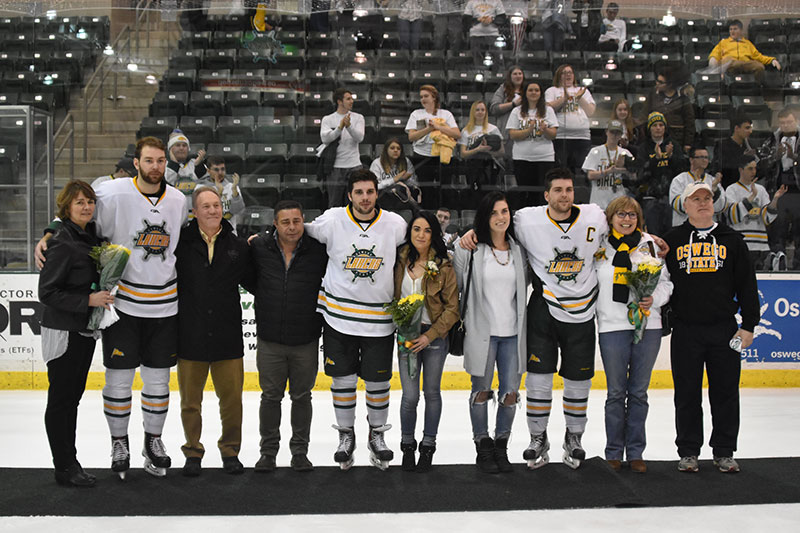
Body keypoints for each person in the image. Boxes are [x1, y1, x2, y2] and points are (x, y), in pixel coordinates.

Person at [36, 137, 188, 479]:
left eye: (160, 160)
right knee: (118, 380)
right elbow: (76, 211)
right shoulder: (113, 192)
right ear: (136, 162)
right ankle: (119, 443)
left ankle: (154, 441)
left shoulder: (178, 199)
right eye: (148, 160)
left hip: (165, 305)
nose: (155, 166)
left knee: (158, 380)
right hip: (123, 306)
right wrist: (49, 232)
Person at [304, 169, 407, 470]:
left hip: (379, 320)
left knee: (378, 382)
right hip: (338, 318)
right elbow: (298, 232)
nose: (365, 198)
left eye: (370, 192)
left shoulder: (395, 224)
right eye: (359, 192)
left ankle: (377, 435)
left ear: (377, 193)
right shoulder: (332, 219)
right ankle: (346, 435)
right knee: (343, 381)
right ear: (349, 194)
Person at [664, 181, 760, 473]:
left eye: (707, 198)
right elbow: (661, 283)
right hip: (686, 330)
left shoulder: (732, 240)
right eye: (696, 199)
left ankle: (724, 451)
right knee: (686, 392)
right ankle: (689, 451)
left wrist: (749, 325)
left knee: (726, 391)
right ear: (685, 204)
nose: (703, 202)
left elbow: (747, 284)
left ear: (714, 203)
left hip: (725, 330)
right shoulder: (672, 240)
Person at [38, 180, 114, 487]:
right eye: (79, 202)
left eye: (90, 201)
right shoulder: (62, 241)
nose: (86, 207)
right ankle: (65, 466)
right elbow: (47, 292)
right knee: (62, 401)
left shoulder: (86, 236)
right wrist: (87, 301)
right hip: (63, 332)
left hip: (82, 330)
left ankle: (69, 463)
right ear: (66, 207)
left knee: (71, 400)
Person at [174, 186, 253, 478]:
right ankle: (193, 451)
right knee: (190, 402)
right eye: (205, 206)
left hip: (227, 336)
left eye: (217, 205)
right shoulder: (179, 243)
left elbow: (256, 282)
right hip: (190, 334)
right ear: (194, 212)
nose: (212, 210)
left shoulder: (238, 246)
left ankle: (230, 451)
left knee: (232, 401)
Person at [246, 200, 328, 473]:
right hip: (270, 339)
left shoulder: (319, 251)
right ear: (275, 224)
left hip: (305, 339)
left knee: (302, 397)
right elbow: (249, 279)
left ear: (303, 221)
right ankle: (268, 452)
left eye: (296, 221)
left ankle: (299, 452)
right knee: (270, 397)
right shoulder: (259, 248)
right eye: (285, 222)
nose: (292, 227)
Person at [595, 196, 673, 473]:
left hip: (647, 327)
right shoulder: (599, 245)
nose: (626, 219)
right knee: (616, 393)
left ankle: (636, 452)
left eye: (632, 215)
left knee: (638, 393)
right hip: (612, 326)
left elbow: (666, 283)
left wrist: (654, 299)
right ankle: (614, 451)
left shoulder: (650, 245)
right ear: (611, 217)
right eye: (621, 214)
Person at [454, 191, 528, 474]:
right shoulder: (469, 250)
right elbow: (458, 287)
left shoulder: (519, 251)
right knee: (481, 391)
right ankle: (482, 445)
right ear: (485, 217)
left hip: (513, 334)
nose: (501, 217)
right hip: (481, 333)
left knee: (510, 393)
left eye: (505, 211)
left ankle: (501, 445)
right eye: (495, 212)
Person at [393, 210, 459, 472]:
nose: (421, 235)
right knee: (409, 396)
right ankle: (407, 445)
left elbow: (452, 308)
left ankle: (428, 446)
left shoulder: (443, 265)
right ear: (410, 232)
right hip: (406, 337)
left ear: (434, 234)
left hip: (433, 337)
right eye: (417, 229)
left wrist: (429, 335)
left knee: (431, 392)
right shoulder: (398, 260)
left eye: (427, 230)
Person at [725, 155, 787, 270]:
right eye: (750, 168)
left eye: (755, 168)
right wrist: (752, 196)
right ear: (740, 170)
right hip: (740, 246)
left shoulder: (761, 189)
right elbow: (732, 216)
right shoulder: (731, 190)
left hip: (760, 246)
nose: (753, 172)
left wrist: (775, 199)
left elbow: (767, 218)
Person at [758, 108, 800, 271]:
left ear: (795, 120)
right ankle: (778, 261)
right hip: (778, 190)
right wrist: (776, 156)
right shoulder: (772, 138)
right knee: (778, 228)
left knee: (798, 230)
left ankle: (797, 265)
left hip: (797, 191)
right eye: (782, 123)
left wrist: (794, 158)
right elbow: (761, 165)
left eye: (789, 122)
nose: (785, 125)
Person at [634, 111, 686, 237]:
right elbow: (640, 175)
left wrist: (671, 157)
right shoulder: (643, 148)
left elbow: (681, 171)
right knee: (653, 235)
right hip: (650, 199)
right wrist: (655, 159)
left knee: (671, 235)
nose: (658, 128)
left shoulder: (674, 145)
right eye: (654, 125)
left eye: (661, 125)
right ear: (649, 128)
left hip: (670, 198)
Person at [507, 81, 558, 200]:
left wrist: (545, 130)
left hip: (545, 158)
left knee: (543, 194)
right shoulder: (517, 111)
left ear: (541, 93)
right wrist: (529, 130)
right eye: (530, 90)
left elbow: (553, 135)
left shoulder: (548, 110)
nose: (533, 93)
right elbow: (513, 135)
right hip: (522, 158)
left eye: (536, 90)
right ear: (525, 93)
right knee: (525, 194)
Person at [545, 64, 595, 177]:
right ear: (558, 76)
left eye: (570, 72)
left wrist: (579, 98)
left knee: (582, 172)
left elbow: (591, 112)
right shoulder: (552, 91)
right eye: (564, 72)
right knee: (561, 173)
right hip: (560, 137)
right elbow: (548, 109)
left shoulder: (582, 91)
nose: (568, 75)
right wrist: (564, 99)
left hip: (582, 137)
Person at [406, 85, 461, 185]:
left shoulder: (446, 114)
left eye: (426, 96)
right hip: (422, 156)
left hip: (443, 156)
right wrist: (429, 129)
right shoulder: (416, 114)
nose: (423, 99)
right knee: (426, 189)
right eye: (421, 97)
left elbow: (457, 134)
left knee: (444, 188)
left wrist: (438, 127)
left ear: (434, 97)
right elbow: (411, 137)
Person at [320, 87, 366, 208]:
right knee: (334, 204)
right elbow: (325, 139)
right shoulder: (328, 119)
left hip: (354, 166)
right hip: (335, 167)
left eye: (352, 98)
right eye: (348, 99)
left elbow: (360, 138)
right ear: (339, 101)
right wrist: (339, 128)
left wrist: (349, 126)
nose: (351, 101)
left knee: (355, 204)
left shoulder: (358, 118)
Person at [708, 19, 781, 83]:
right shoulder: (724, 43)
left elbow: (758, 56)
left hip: (745, 64)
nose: (732, 31)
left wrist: (772, 60)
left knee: (759, 67)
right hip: (730, 64)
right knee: (729, 60)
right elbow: (715, 54)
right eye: (730, 29)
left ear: (741, 30)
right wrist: (714, 63)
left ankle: (754, 86)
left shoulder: (748, 43)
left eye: (735, 29)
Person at [582, 119, 634, 209]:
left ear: (621, 135)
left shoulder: (625, 153)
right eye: (612, 132)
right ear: (606, 132)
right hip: (598, 203)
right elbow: (590, 175)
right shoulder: (595, 151)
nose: (614, 135)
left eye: (617, 133)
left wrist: (624, 169)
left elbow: (634, 176)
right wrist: (609, 171)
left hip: (618, 202)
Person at [668, 147, 725, 227]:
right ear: (691, 160)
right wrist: (697, 185)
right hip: (684, 229)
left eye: (706, 157)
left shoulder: (713, 180)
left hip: (708, 230)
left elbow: (720, 208)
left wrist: (715, 190)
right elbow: (678, 206)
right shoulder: (679, 180)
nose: (704, 160)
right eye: (701, 157)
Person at [644, 68, 696, 152]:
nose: (657, 84)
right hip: (656, 139)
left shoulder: (682, 98)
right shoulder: (653, 95)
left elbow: (689, 121)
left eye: (661, 82)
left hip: (677, 139)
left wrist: (688, 143)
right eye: (657, 81)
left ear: (670, 84)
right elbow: (645, 114)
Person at [459, 100, 504, 194]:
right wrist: (477, 149)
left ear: (486, 112)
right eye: (477, 110)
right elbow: (463, 154)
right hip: (472, 166)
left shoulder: (493, 129)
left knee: (489, 192)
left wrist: (487, 151)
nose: (480, 112)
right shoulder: (465, 131)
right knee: (474, 192)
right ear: (473, 112)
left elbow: (502, 152)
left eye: (482, 110)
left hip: (489, 165)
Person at [370, 138, 420, 206]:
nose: (396, 150)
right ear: (386, 150)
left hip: (402, 198)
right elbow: (374, 186)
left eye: (398, 148)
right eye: (392, 148)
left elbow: (414, 183)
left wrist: (405, 179)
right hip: (383, 197)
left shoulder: (406, 161)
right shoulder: (377, 163)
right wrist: (394, 179)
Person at [201, 155, 245, 232]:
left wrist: (234, 191)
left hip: (229, 233)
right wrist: (219, 193)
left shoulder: (232, 187)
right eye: (216, 170)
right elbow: (206, 212)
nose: (220, 173)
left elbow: (238, 210)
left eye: (222, 169)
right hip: (208, 232)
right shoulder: (200, 188)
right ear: (208, 171)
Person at [490, 65, 525, 161]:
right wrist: (513, 104)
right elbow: (494, 108)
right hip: (507, 134)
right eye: (515, 74)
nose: (518, 76)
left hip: (524, 133)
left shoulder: (528, 90)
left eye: (520, 74)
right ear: (510, 76)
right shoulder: (503, 89)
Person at [711, 116, 756, 189]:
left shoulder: (750, 146)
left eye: (750, 128)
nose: (750, 131)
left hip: (747, 187)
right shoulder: (722, 145)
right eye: (747, 128)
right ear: (737, 128)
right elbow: (723, 167)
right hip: (727, 186)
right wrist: (743, 158)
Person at [464, 0, 506, 71]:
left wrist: (491, 20)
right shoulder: (471, 2)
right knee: (477, 60)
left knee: (496, 59)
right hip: (476, 35)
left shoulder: (497, 1)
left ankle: (495, 77)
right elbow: (466, 19)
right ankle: (480, 77)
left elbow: (502, 18)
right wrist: (479, 19)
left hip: (493, 34)